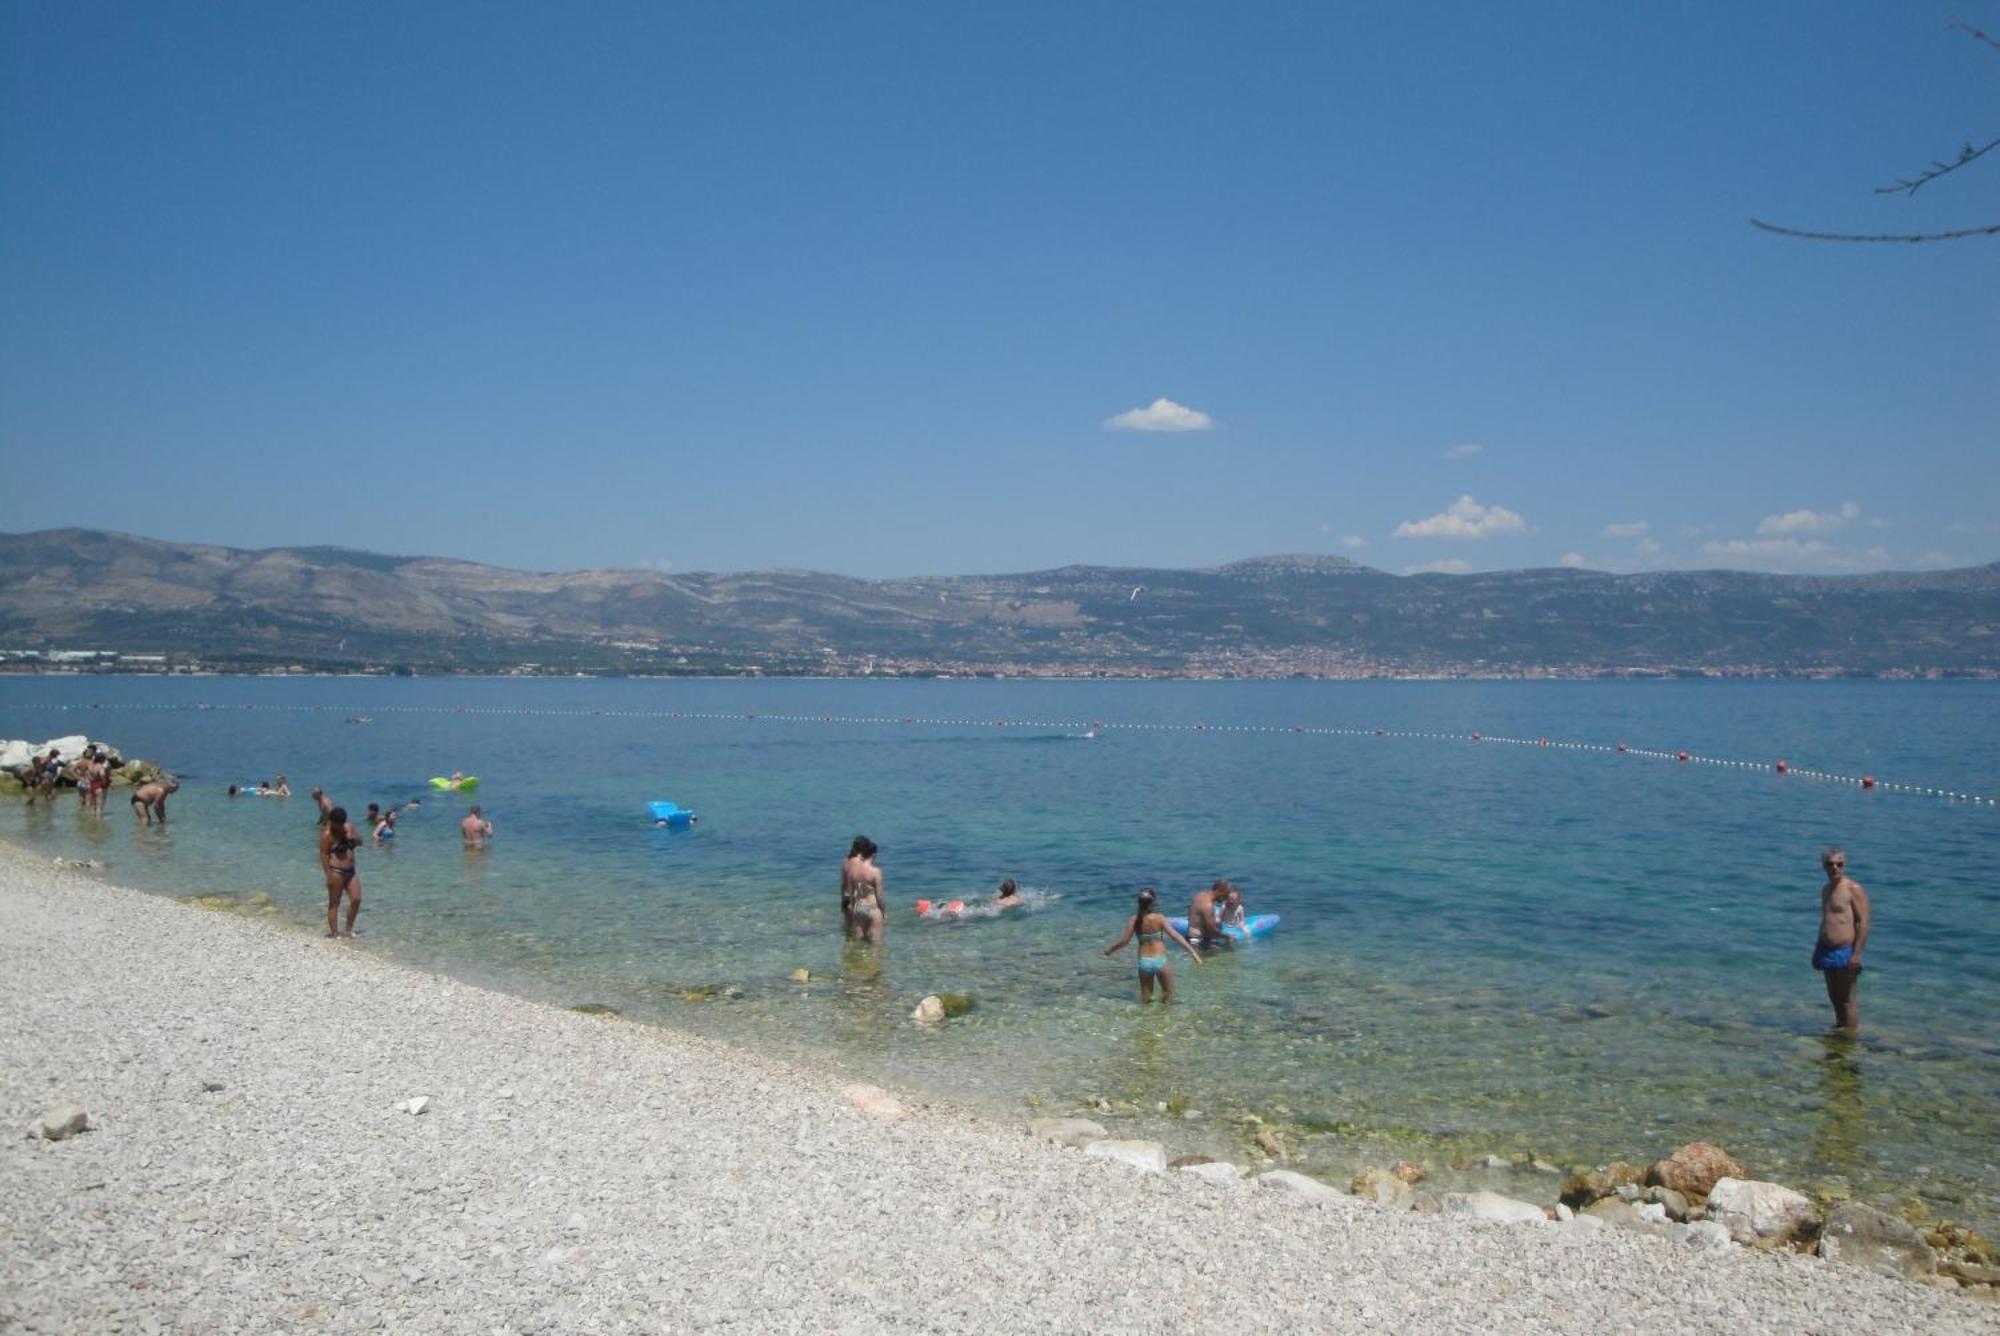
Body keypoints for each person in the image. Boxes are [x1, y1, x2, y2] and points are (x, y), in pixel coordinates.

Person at [1102, 887, 1201, 1003]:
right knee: (1168, 993)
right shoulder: (1159, 918)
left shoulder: (1133, 920)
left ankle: (1146, 1018)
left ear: (1138, 902)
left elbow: (1124, 941)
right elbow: (1176, 936)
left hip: (1144, 962)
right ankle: (1165, 1018)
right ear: (1154, 902)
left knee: (1146, 997)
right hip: (1160, 961)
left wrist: (1109, 950)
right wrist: (1193, 953)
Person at [1813, 846, 1871, 1032]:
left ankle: (1851, 1034)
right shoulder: (1826, 889)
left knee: (1847, 998)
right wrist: (1817, 948)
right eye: (1830, 864)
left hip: (1845, 949)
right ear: (1824, 866)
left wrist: (1857, 954)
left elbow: (1863, 922)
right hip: (1826, 948)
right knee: (1833, 995)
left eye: (1840, 864)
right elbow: (1826, 920)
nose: (1835, 868)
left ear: (1844, 865)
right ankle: (1840, 1028)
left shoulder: (1853, 889)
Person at [318, 805, 363, 938]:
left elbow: (361, 842)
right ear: (331, 822)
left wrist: (354, 840)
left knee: (356, 899)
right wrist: (328, 875)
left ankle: (349, 930)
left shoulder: (348, 827)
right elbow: (323, 855)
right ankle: (335, 933)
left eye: (342, 823)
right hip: (336, 871)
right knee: (334, 902)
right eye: (338, 824)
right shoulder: (327, 835)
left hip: (351, 871)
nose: (341, 826)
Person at [841, 836, 885, 943]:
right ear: (872, 855)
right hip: (871, 907)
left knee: (856, 940)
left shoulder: (849, 866)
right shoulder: (874, 871)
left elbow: (847, 887)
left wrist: (848, 904)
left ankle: (854, 958)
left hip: (856, 905)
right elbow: (879, 895)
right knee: (876, 944)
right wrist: (883, 911)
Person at [1186, 880, 1229, 947]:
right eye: (1226, 894)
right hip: (1198, 940)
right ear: (1220, 891)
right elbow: (1212, 930)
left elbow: (1189, 913)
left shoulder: (1199, 895)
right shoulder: (1208, 906)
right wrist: (1227, 937)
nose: (1226, 898)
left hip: (1191, 937)